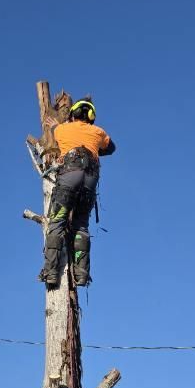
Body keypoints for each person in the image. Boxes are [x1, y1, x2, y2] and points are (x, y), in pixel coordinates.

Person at [40, 98, 115, 288]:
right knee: (81, 226)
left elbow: (55, 133)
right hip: (90, 180)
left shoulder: (63, 128)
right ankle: (82, 274)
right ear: (91, 116)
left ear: (73, 114)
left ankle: (51, 272)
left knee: (57, 221)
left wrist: (56, 125)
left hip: (69, 175)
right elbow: (111, 148)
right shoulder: (98, 132)